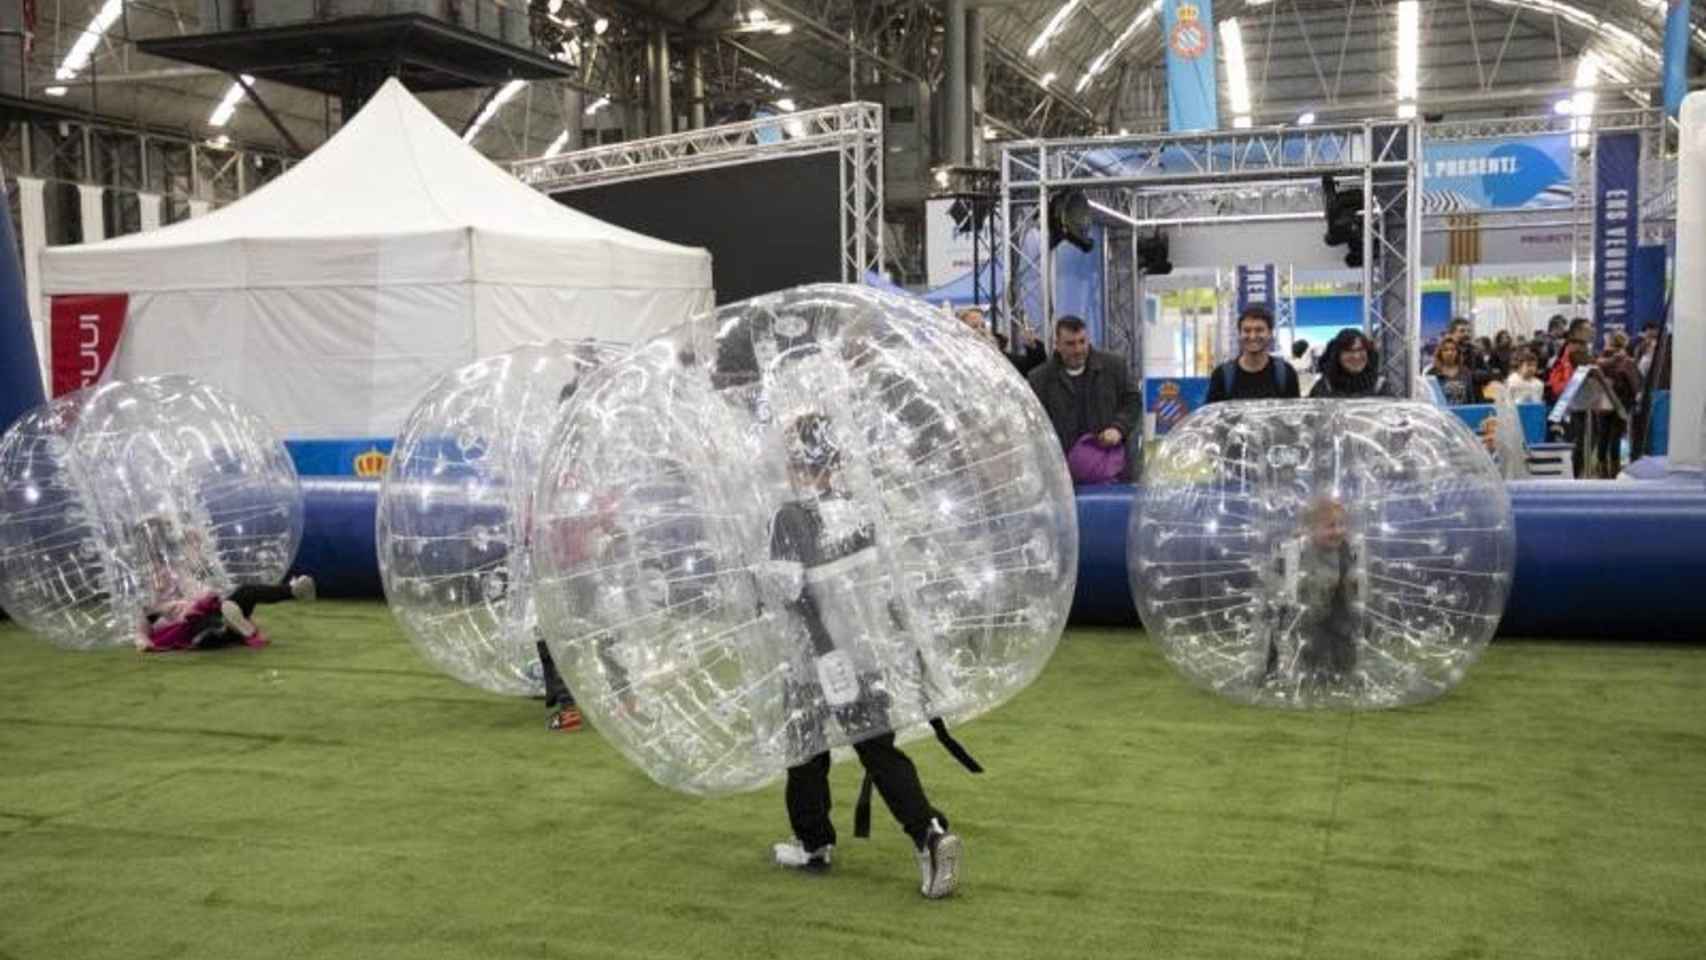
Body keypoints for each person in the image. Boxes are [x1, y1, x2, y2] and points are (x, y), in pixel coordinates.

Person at [768, 414, 963, 899]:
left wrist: (760, 577)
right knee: (877, 750)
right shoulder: (860, 510)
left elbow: (788, 588)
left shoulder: (790, 515)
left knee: (805, 748)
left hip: (817, 655)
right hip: (866, 651)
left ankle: (814, 840)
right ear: (835, 457)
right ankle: (927, 832)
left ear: (796, 460)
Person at [1026, 316, 1141, 481]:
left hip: (1112, 473)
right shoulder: (1039, 379)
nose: (1078, 349)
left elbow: (1133, 401)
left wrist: (1118, 428)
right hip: (1062, 477)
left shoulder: (1115, 367)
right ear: (1057, 345)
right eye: (1070, 344)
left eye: (1082, 341)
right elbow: (1034, 424)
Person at [1263, 497, 1359, 689]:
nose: (1338, 530)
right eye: (1330, 526)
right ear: (1310, 529)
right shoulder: (1296, 550)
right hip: (1297, 611)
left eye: (1341, 524)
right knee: (1292, 639)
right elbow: (1278, 583)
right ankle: (1280, 675)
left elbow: (1348, 582)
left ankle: (1339, 673)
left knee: (1345, 634)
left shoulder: (1344, 549)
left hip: (1329, 609)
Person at [1204, 305, 1300, 404]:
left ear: (1270, 333)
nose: (1252, 336)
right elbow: (1212, 415)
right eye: (1247, 330)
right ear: (1239, 334)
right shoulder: (1222, 376)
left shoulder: (1285, 373)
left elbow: (1294, 415)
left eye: (1259, 330)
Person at [1308, 328, 1395, 398]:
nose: (1356, 356)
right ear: (1337, 355)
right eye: (1348, 351)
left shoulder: (1381, 387)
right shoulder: (1324, 387)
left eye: (1360, 350)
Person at [1424, 338, 1482, 405]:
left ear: (1457, 352)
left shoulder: (1466, 372)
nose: (1449, 353)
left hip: (1463, 412)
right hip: (1440, 413)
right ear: (1440, 353)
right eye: (1445, 350)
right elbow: (1428, 399)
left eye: (1453, 349)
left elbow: (1471, 397)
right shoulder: (1432, 373)